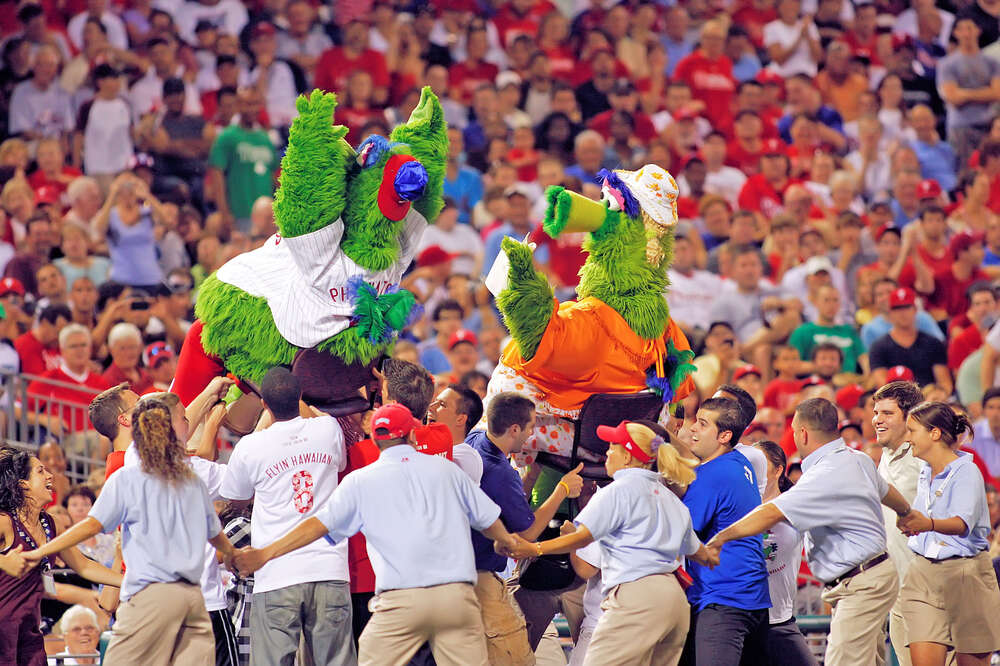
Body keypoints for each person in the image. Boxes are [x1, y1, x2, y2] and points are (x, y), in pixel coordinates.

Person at [232, 402, 523, 666]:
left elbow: (318, 526)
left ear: (375, 439)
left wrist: (265, 553)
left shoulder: (361, 480)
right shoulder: (446, 470)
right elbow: (488, 517)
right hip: (455, 598)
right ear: (412, 436)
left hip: (400, 604)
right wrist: (505, 540)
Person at [22, 398, 237, 665]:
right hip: (193, 599)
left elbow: (91, 526)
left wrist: (42, 550)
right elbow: (214, 533)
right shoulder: (190, 477)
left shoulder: (125, 478)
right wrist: (233, 553)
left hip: (150, 597)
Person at [706, 398, 917, 666]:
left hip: (862, 584)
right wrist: (906, 512)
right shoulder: (858, 458)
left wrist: (720, 538)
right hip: (871, 576)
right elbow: (885, 490)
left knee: (842, 662)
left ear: (803, 433)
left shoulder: (824, 474)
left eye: (793, 429)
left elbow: (770, 513)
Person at [220, 367, 355, 666]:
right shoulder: (328, 429)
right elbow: (336, 454)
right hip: (329, 569)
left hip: (277, 574)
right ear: (300, 396)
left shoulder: (251, 447)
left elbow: (237, 497)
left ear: (264, 404)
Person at [465, 391, 584, 660]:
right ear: (515, 429)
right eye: (531, 426)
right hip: (480, 579)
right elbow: (527, 533)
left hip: (466, 572)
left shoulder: (475, 440)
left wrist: (535, 470)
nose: (533, 434)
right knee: (515, 658)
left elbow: (510, 501)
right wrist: (562, 490)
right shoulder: (499, 472)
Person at [896, 401, 1000, 666]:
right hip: (922, 574)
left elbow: (961, 524)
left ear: (934, 433)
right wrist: (912, 525)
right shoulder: (925, 471)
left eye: (912, 431)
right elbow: (926, 521)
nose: (907, 438)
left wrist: (926, 523)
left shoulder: (968, 471)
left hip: (967, 576)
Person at [0, 447, 122, 666]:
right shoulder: (5, 521)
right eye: (40, 471)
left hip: (29, 636)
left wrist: (129, 581)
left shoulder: (50, 524)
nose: (50, 476)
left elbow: (83, 565)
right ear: (23, 485)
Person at [679, 397, 770, 666]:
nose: (693, 428)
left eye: (702, 424)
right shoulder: (739, 463)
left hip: (722, 599)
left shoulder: (712, 474)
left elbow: (681, 533)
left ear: (724, 435)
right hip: (751, 598)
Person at [748, 440, 817, 666]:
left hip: (779, 618)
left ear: (778, 470)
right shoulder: (740, 506)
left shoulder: (795, 506)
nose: (752, 470)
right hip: (742, 617)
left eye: (759, 464)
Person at [872, 380, 925, 666]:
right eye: (875, 412)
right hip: (898, 589)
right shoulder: (887, 455)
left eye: (887, 413)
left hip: (926, 589)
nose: (877, 419)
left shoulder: (925, 459)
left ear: (910, 417)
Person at [869, 287, 951, 392]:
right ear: (890, 312)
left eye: (907, 307)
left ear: (915, 310)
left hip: (929, 401)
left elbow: (944, 383)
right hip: (896, 401)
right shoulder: (879, 347)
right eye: (897, 308)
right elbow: (882, 386)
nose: (903, 313)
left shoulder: (933, 343)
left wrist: (936, 397)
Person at [427, 384, 484, 483]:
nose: (431, 407)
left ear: (460, 419)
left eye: (442, 404)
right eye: (435, 401)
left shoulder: (466, 457)